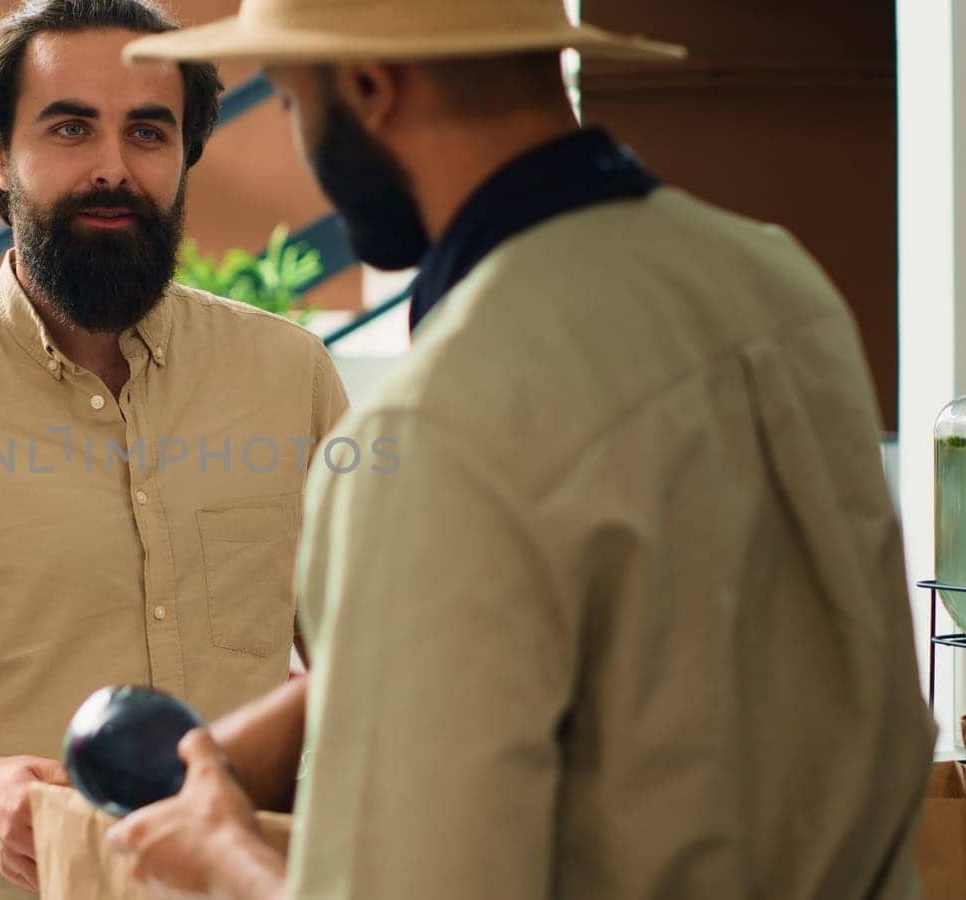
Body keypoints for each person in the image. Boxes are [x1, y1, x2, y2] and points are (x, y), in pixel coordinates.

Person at [107, 1, 936, 897]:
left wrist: (222, 852)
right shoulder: (779, 283)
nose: (301, 142)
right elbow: (675, 639)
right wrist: (335, 698)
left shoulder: (433, 428)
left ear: (371, 87)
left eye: (292, 103)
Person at [0, 0, 349, 895]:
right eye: (71, 128)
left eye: (149, 133)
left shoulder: (293, 376)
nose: (113, 169)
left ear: (185, 154)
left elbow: (354, 666)